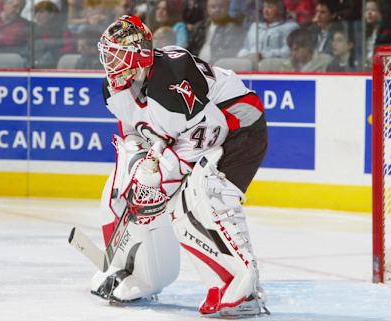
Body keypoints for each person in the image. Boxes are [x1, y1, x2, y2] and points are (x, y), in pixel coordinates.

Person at [89, 15, 268, 318]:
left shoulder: (170, 77)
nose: (110, 62)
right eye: (108, 54)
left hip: (239, 128)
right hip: (193, 136)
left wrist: (162, 175)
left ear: (140, 53)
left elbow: (209, 132)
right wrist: (141, 166)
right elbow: (133, 130)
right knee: (119, 191)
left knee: (203, 200)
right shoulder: (117, 87)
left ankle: (243, 286)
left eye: (117, 54)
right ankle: (135, 273)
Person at [237, 0, 299, 67]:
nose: (265, 10)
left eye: (270, 7)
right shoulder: (254, 26)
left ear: (280, 10)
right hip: (250, 68)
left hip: (275, 69)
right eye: (264, 7)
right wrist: (244, 55)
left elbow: (288, 52)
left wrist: (264, 55)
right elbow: (245, 48)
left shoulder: (290, 27)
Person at [33, 1, 75, 68]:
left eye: (41, 12)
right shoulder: (34, 31)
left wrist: (54, 53)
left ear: (52, 14)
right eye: (36, 13)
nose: (37, 16)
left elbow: (69, 50)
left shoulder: (64, 32)